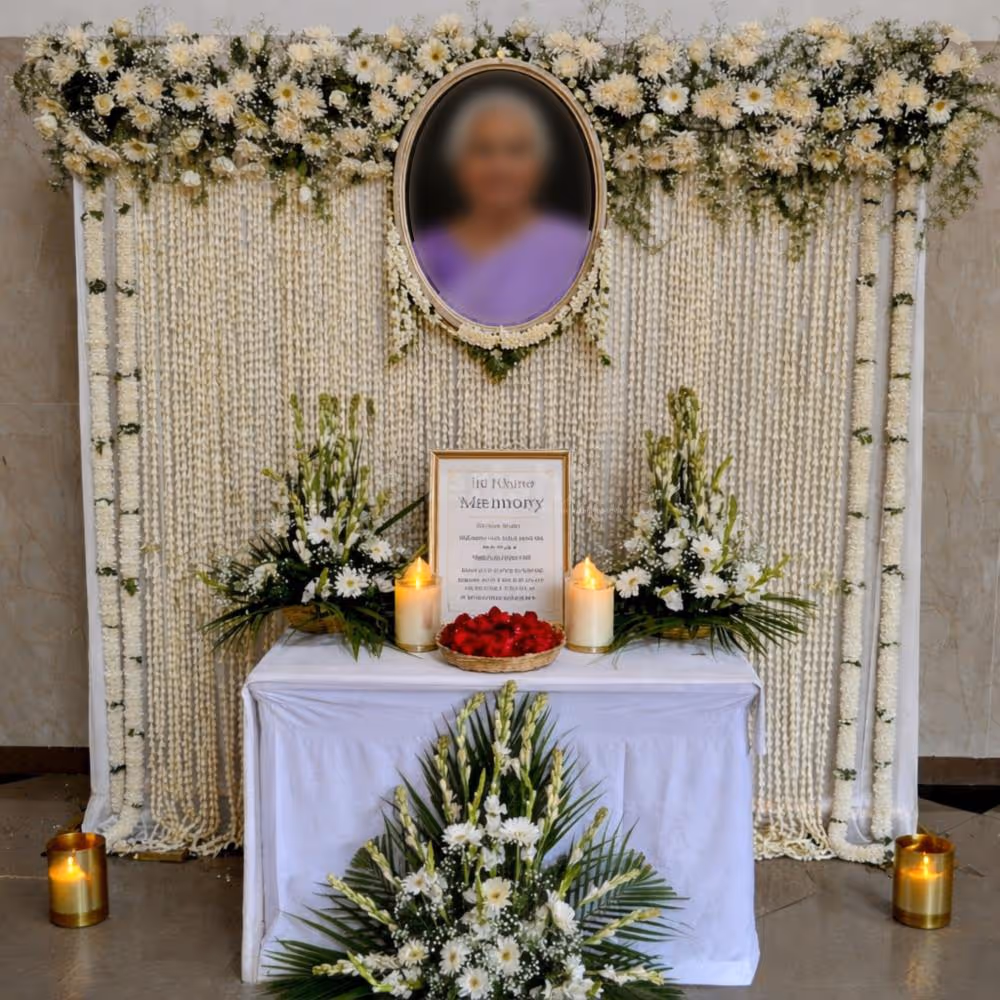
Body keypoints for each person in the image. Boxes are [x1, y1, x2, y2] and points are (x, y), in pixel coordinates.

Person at [412, 87, 591, 327]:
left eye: (516, 151)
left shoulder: (578, 250)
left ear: (539, 165)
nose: (500, 168)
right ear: (458, 164)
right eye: (482, 150)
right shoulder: (420, 256)